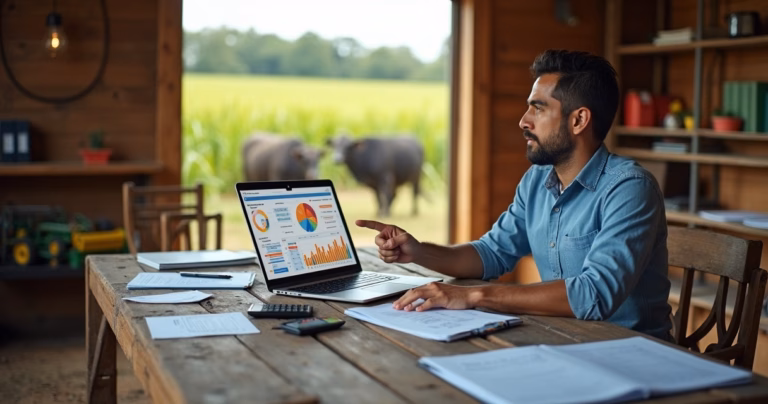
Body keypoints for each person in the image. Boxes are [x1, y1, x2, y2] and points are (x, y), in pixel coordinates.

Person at [356, 49, 672, 340]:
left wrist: (473, 295)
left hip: (635, 354)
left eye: (538, 108)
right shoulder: (536, 181)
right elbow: (491, 254)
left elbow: (594, 295)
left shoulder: (629, 188)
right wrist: (418, 251)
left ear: (578, 120)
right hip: (563, 340)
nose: (523, 121)